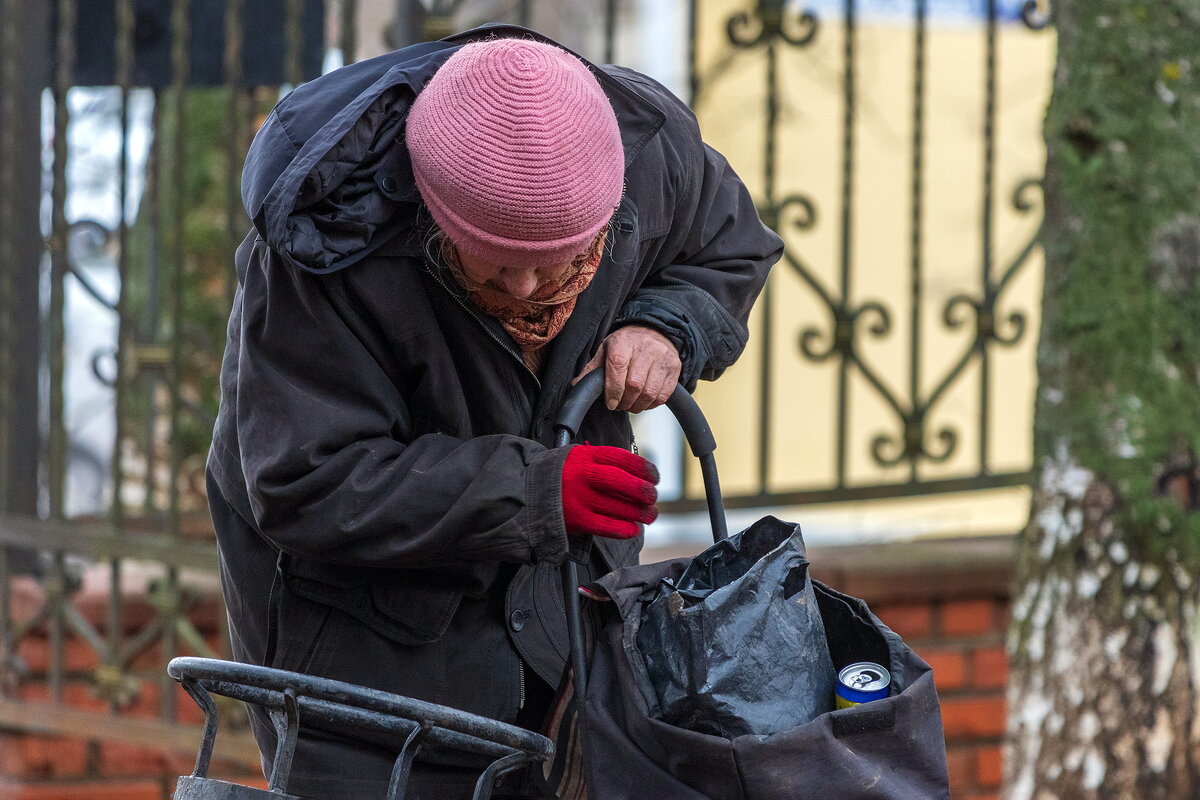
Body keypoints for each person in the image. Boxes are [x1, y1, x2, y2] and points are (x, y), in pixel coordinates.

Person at [206, 23, 782, 800]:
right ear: (430, 207)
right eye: (496, 262)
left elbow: (731, 248)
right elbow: (305, 480)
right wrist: (534, 491)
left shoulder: (650, 152)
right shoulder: (322, 240)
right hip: (363, 674)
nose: (525, 289)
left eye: (560, 262)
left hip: (569, 635)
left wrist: (666, 327)